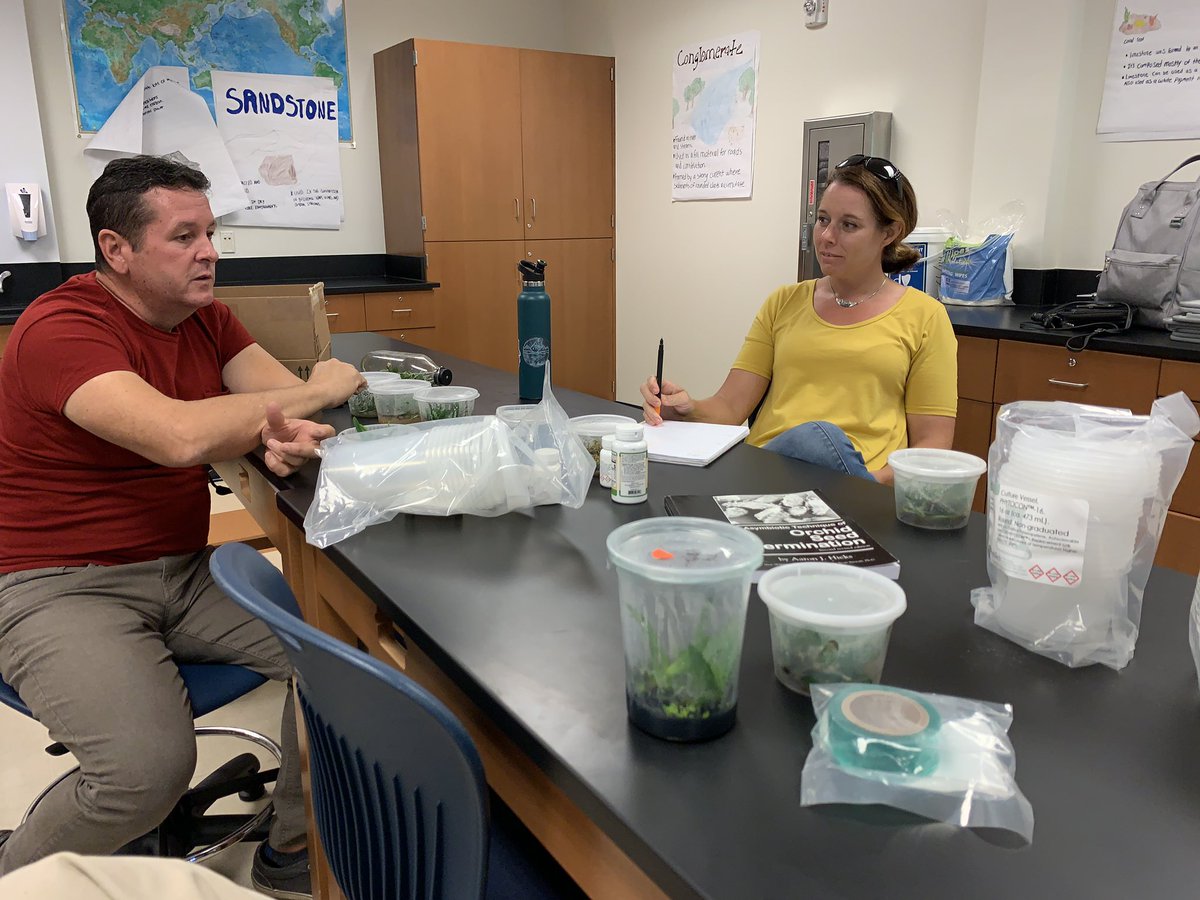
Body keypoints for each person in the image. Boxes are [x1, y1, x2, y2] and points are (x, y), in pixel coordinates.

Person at [0, 155, 364, 897]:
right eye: (184, 236)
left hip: (184, 570)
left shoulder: (206, 319)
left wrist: (284, 434)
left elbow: (275, 404)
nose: (209, 252)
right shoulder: (61, 328)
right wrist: (319, 386)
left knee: (346, 659)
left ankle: (293, 846)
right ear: (117, 249)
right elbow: (178, 436)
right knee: (141, 773)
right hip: (56, 583)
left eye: (211, 233)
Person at [641, 155, 957, 485]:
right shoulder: (784, 303)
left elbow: (932, 446)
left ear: (889, 233)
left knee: (819, 439)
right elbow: (730, 407)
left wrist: (866, 488)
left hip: (855, 488)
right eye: (823, 219)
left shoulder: (925, 317)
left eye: (849, 225)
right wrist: (686, 409)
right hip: (767, 476)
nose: (827, 236)